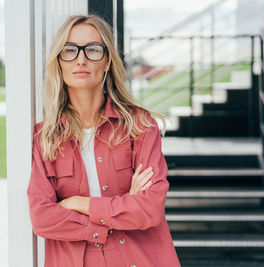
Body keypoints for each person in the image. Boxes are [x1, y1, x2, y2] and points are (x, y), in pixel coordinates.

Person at [27, 14, 180, 267]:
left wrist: (78, 203)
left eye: (93, 50)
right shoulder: (45, 137)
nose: (81, 59)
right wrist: (120, 209)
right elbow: (42, 218)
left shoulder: (140, 126)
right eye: (70, 50)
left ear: (107, 61)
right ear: (59, 61)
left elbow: (150, 207)